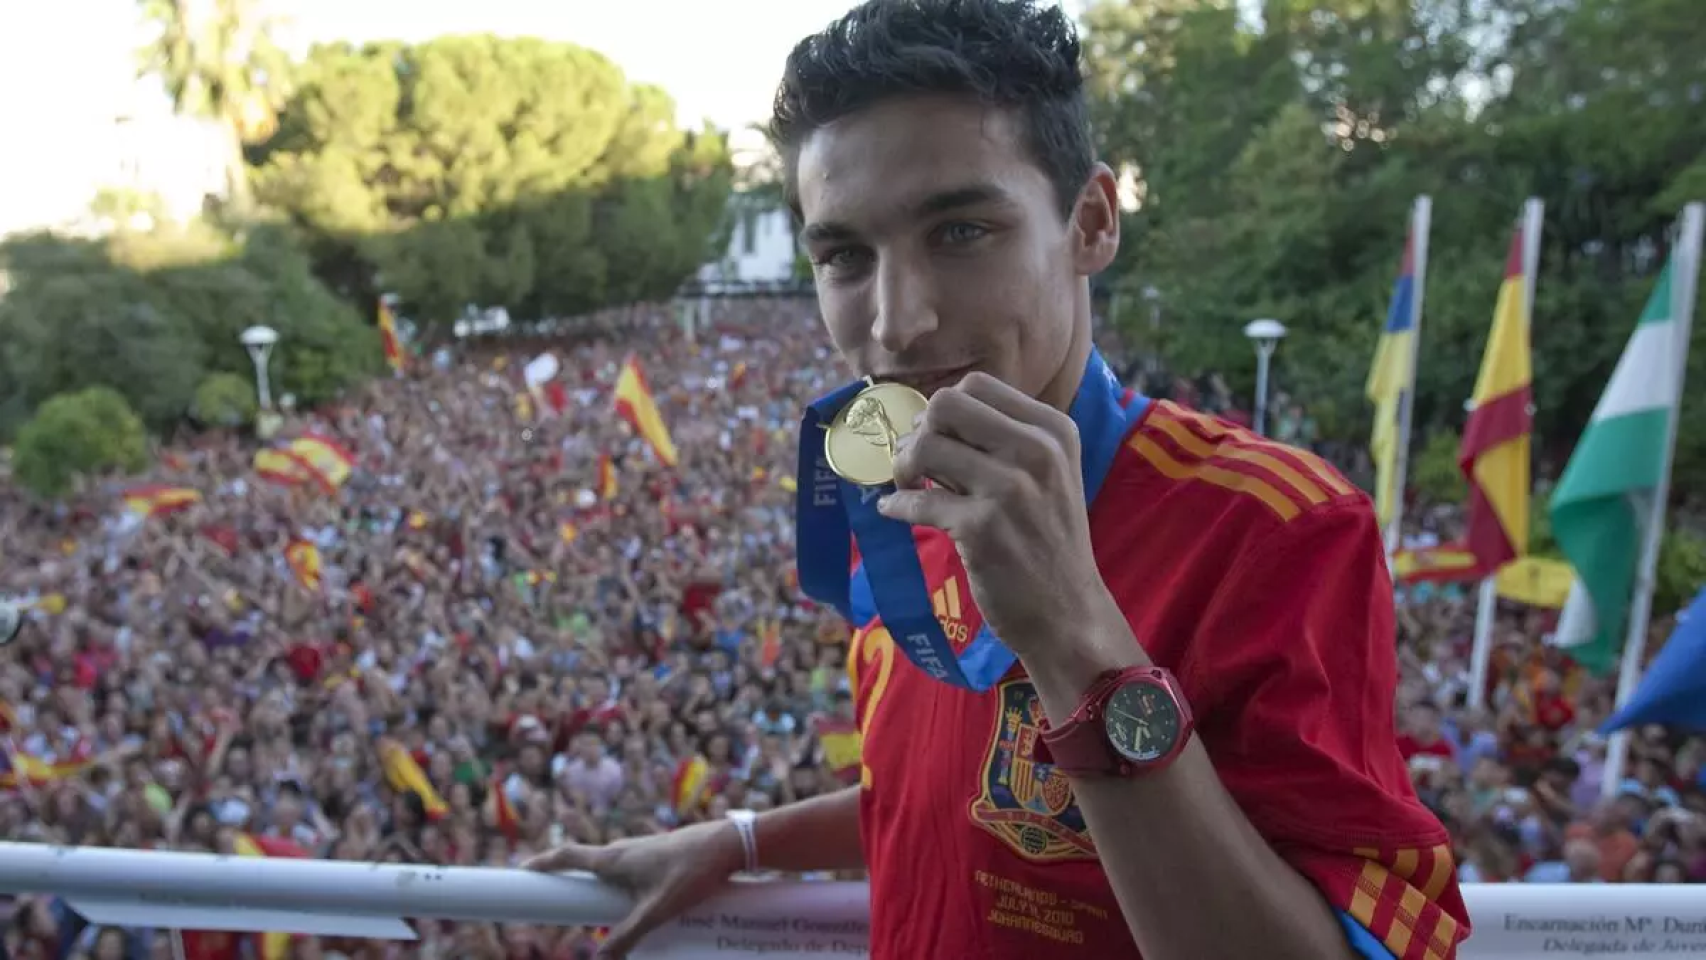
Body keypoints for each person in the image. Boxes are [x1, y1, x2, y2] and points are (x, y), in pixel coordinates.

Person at [525, 2, 1470, 958]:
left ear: (1092, 223)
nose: (898, 323)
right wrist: (746, 840)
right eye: (845, 255)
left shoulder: (1275, 528)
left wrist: (1072, 638)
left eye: (962, 232)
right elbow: (970, 792)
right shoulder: (911, 497)